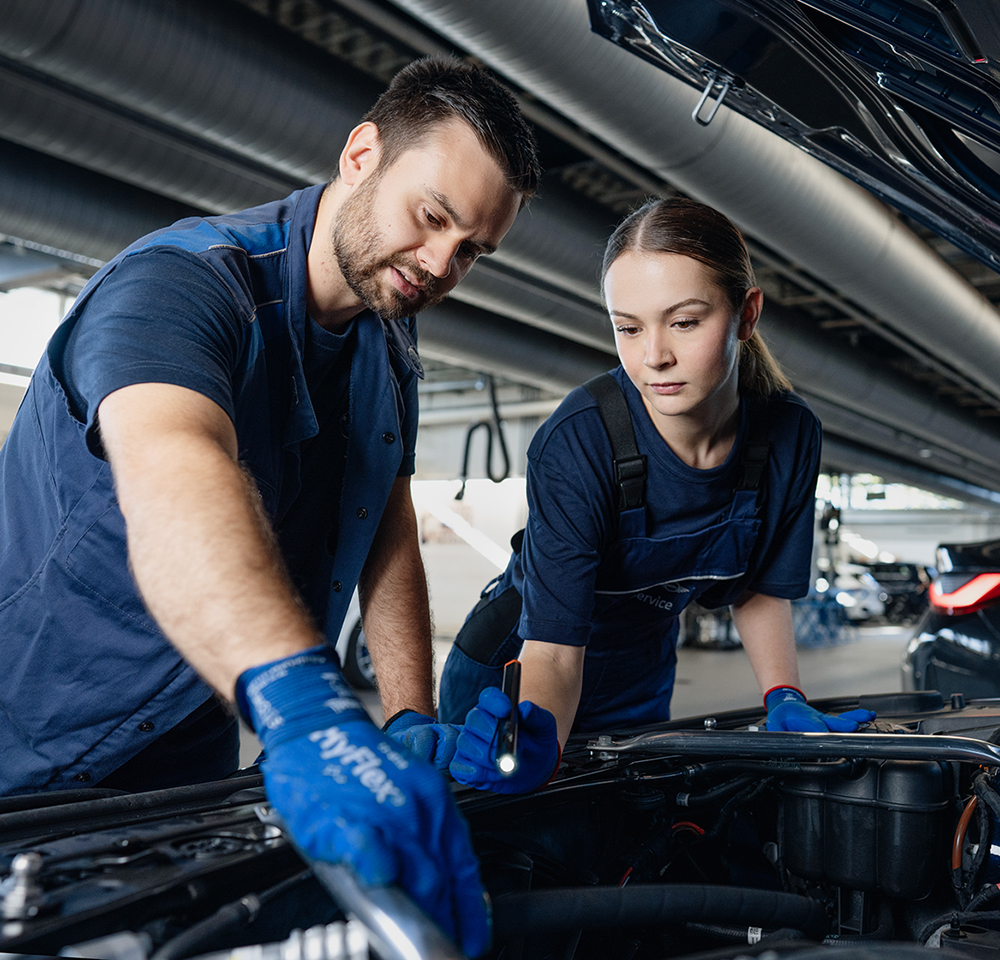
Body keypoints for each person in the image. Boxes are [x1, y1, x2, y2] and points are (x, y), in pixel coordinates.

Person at [0, 56, 540, 955]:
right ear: (362, 153)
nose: (444, 263)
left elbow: (386, 519)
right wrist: (305, 705)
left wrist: (407, 714)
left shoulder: (389, 343)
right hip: (33, 747)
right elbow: (176, 466)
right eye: (434, 217)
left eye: (473, 249)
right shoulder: (182, 285)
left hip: (191, 763)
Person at [437, 197, 874, 789]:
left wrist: (783, 694)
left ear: (746, 315)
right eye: (628, 328)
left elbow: (759, 588)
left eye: (685, 321)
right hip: (516, 672)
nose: (654, 356)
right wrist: (536, 738)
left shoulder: (789, 435)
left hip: (642, 667)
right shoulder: (579, 442)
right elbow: (556, 647)